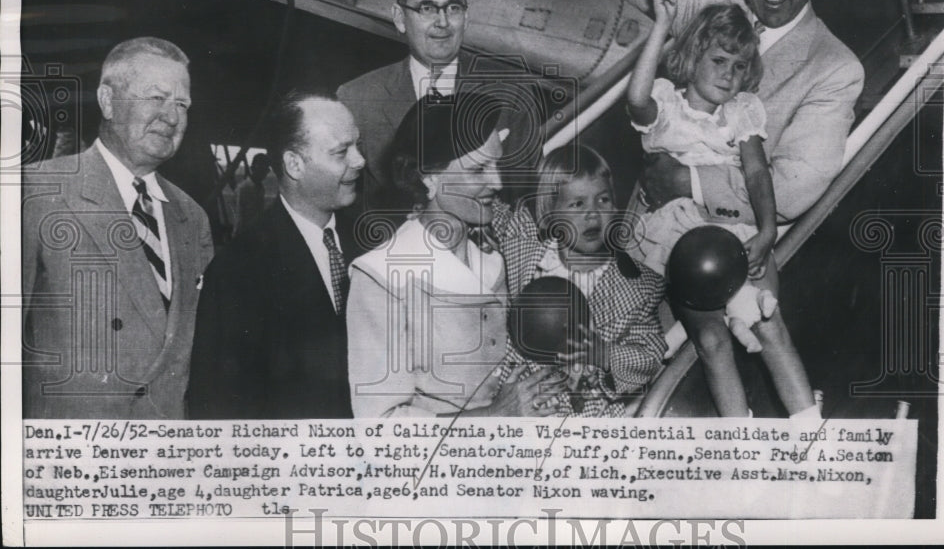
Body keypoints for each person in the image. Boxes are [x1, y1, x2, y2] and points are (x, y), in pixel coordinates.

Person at [526, 0, 864, 230]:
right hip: (645, 233)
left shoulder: (836, 69)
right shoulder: (716, 0)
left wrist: (687, 181)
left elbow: (792, 191)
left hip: (727, 257)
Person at [627, 0, 814, 417]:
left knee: (771, 326)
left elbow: (756, 176)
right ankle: (740, 442)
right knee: (711, 343)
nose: (729, 74)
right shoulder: (665, 106)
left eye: (740, 65)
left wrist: (766, 231)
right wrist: (661, 22)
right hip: (678, 235)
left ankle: (812, 432)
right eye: (719, 60)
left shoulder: (741, 112)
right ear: (693, 55)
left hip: (730, 231)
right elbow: (636, 97)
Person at [22, 37, 212, 418]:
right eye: (156, 98)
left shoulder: (193, 217)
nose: (172, 117)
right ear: (108, 101)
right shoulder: (35, 193)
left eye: (182, 104)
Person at [348, 92, 566, 418]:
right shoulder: (380, 277)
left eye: (497, 164)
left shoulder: (493, 255)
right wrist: (494, 418)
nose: (497, 181)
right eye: (479, 170)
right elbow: (380, 430)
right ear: (429, 177)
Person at [187, 89, 364, 418]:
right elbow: (221, 407)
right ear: (294, 164)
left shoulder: (374, 243)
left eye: (358, 145)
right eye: (342, 152)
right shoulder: (238, 271)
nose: (359, 160)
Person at [493, 145, 666, 416]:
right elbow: (494, 211)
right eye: (577, 204)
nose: (593, 214)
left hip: (585, 404)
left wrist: (605, 355)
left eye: (603, 200)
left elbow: (649, 356)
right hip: (518, 388)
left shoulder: (637, 287)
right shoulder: (525, 248)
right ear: (550, 214)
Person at [337, 0, 473, 207]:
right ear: (399, 18)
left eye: (454, 8)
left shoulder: (511, 97)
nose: (442, 22)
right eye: (427, 8)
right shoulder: (356, 100)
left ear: (466, 16)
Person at [234, 152, 278, 234]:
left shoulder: (261, 188)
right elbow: (239, 218)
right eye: (261, 168)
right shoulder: (243, 189)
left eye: (266, 170)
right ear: (252, 168)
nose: (264, 173)